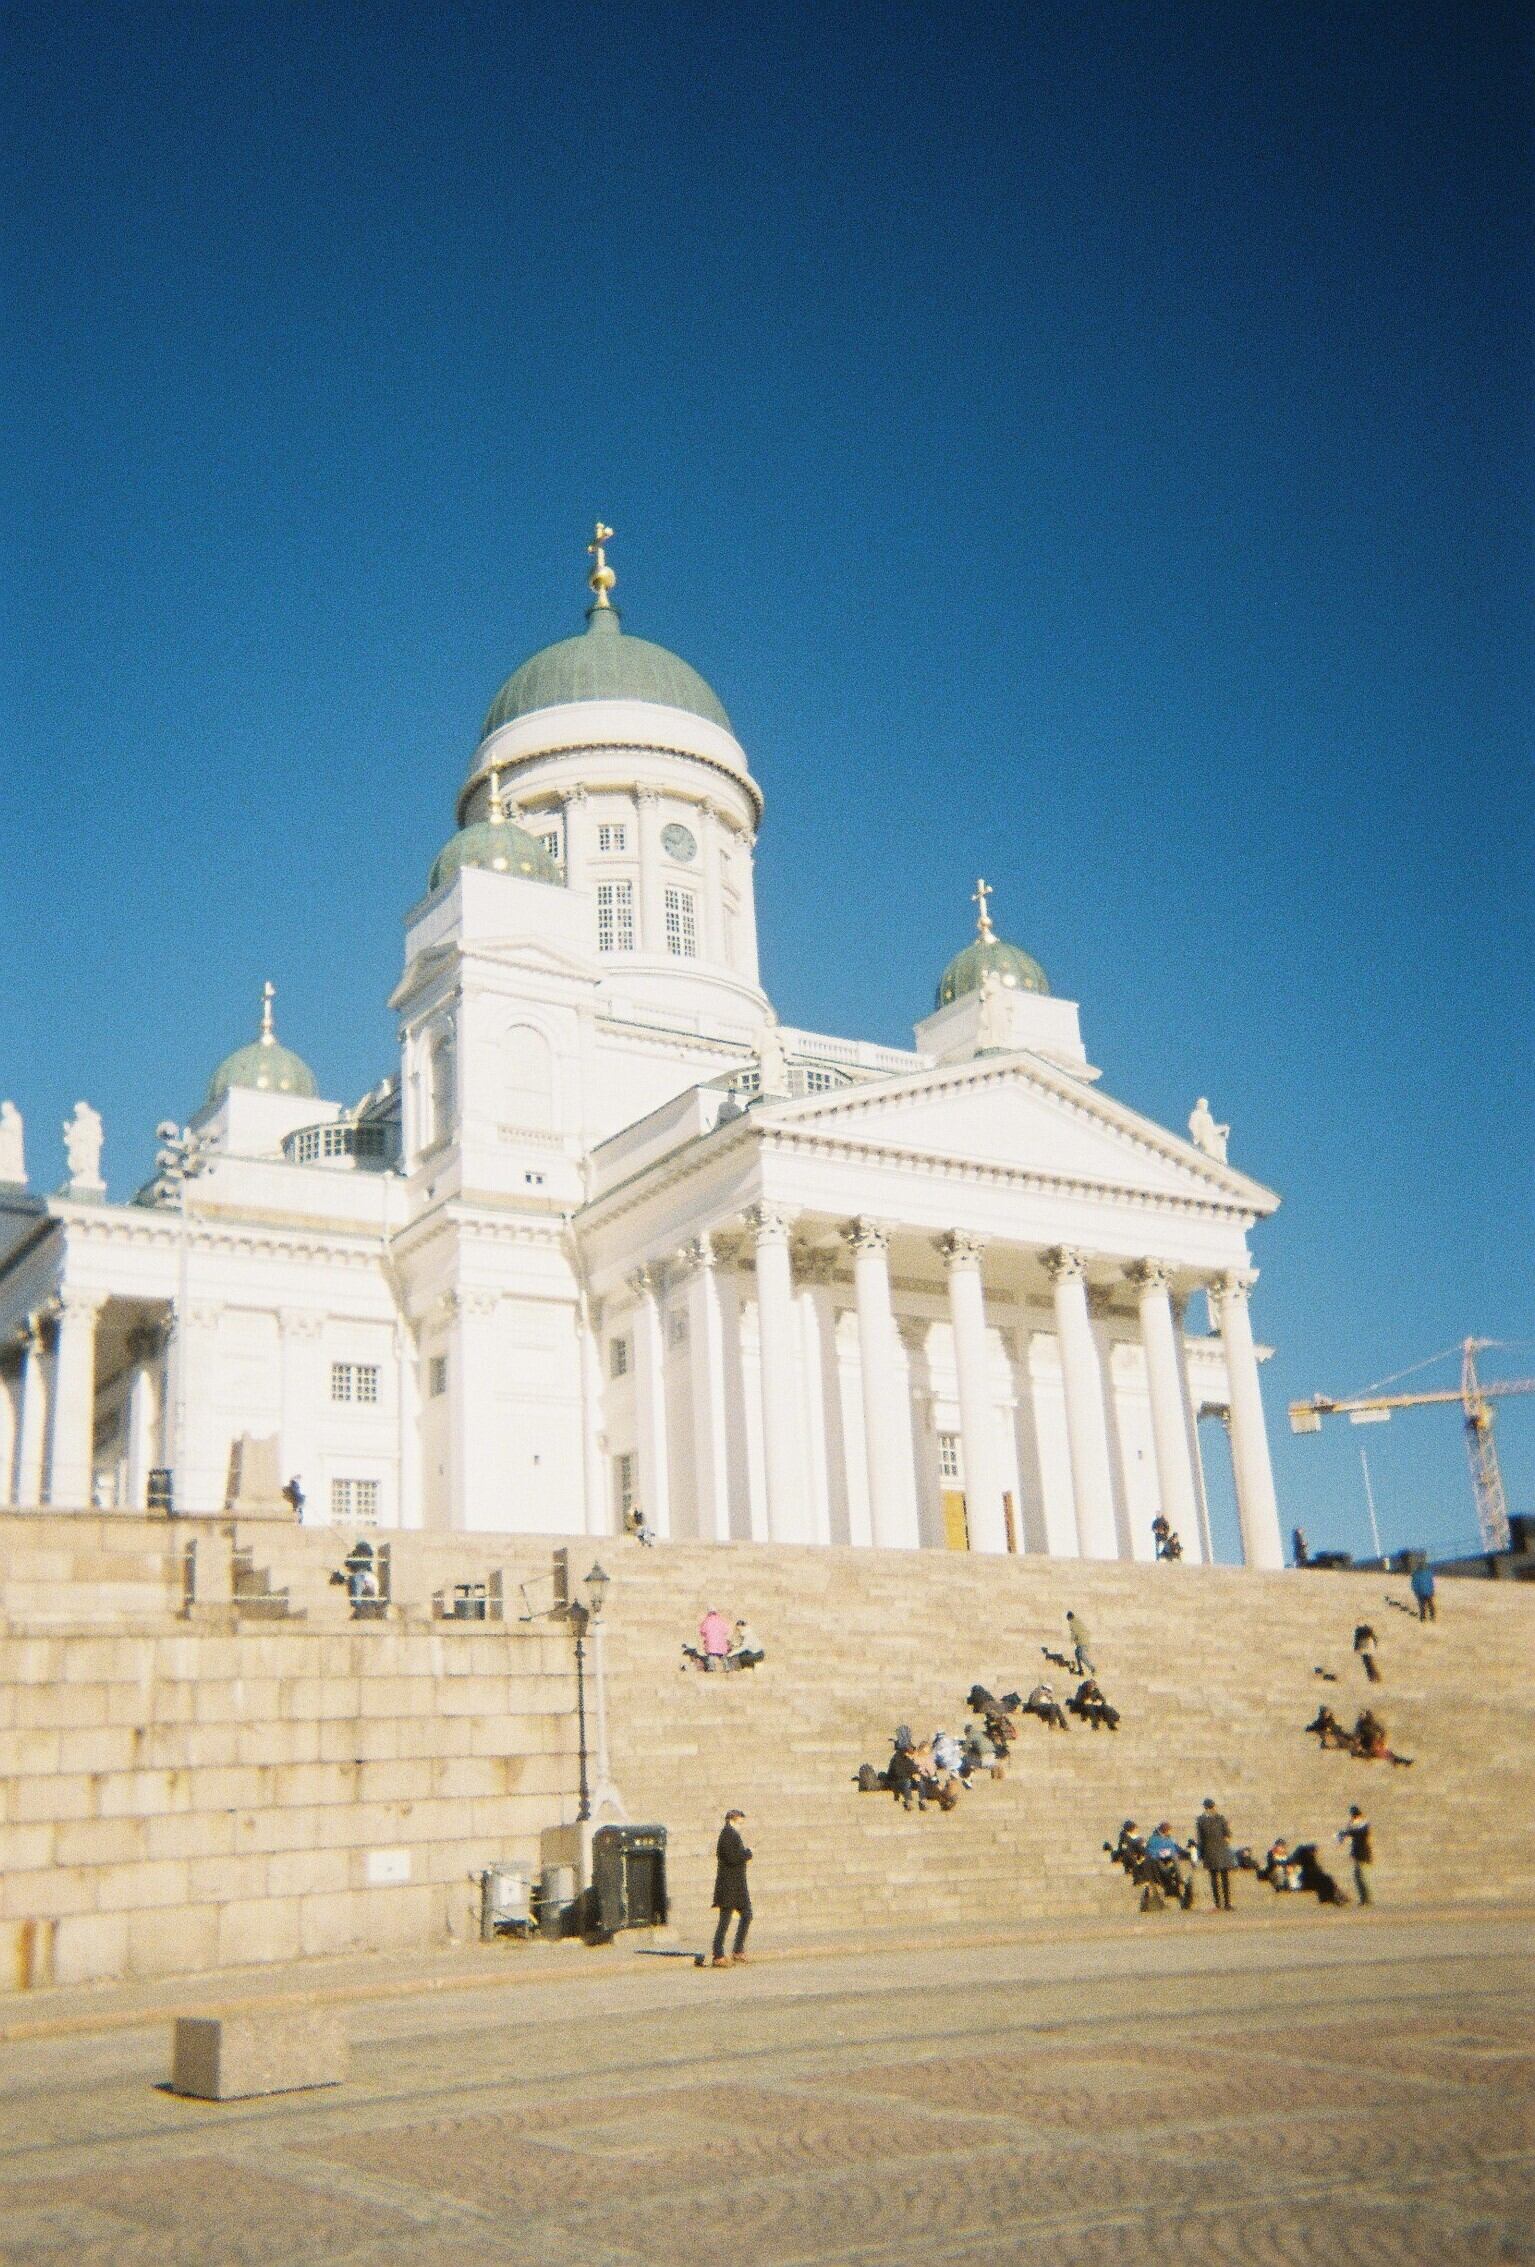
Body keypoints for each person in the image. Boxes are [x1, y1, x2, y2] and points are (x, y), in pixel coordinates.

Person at [711, 1809, 752, 1965]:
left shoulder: (732, 1834)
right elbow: (732, 1858)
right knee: (725, 1920)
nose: (741, 1826)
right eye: (740, 1822)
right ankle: (718, 1955)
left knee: (747, 1914)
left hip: (737, 1886)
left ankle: (737, 1950)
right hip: (728, 1886)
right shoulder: (728, 1834)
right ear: (732, 1820)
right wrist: (748, 1853)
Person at [1195, 1797, 1235, 1910]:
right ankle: (1224, 1903)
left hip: (1213, 1851)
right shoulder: (1218, 1818)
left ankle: (1222, 1903)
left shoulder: (1203, 1820)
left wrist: (1201, 1853)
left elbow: (1200, 1839)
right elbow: (1227, 1834)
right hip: (1218, 1851)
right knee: (1220, 1878)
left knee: (1219, 1878)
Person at [1338, 1805, 1374, 1905]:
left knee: (1359, 1876)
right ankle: (1365, 1898)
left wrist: (1347, 1832)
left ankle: (1365, 1899)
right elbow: (1351, 1832)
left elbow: (1359, 1832)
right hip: (1358, 1854)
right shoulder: (1355, 1824)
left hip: (1362, 1854)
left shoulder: (1362, 1824)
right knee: (1358, 1876)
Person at [698, 1606, 731, 1671]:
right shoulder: (720, 1620)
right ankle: (727, 1668)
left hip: (711, 1641)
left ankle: (712, 1668)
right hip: (720, 1641)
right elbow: (726, 1630)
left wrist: (705, 1636)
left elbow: (702, 1631)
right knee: (722, 1655)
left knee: (711, 1655)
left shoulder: (706, 1621)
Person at [1066, 1611, 1094, 1676]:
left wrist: (1072, 1639)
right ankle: (1081, 1670)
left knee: (1081, 1656)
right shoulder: (1077, 1620)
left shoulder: (1072, 1623)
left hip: (1082, 1643)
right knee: (1077, 1653)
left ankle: (1092, 1668)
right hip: (1083, 1642)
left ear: (1069, 1618)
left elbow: (1074, 1633)